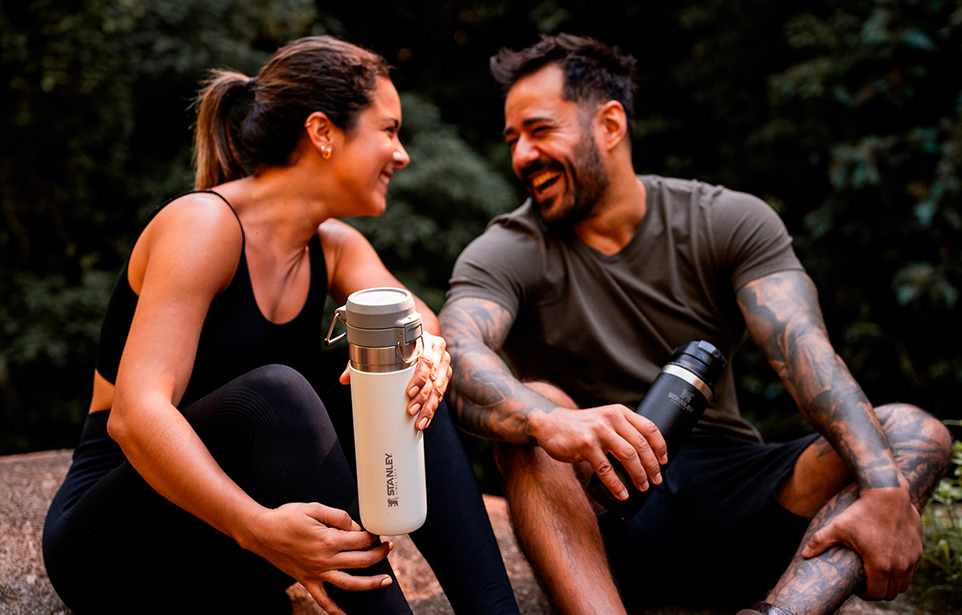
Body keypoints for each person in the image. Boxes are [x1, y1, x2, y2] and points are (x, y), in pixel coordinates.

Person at [439, 33, 953, 615]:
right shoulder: (508, 248)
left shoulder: (727, 219)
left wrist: (885, 490)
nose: (522, 156)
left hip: (738, 497)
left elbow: (805, 350)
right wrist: (551, 420)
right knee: (531, 415)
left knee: (914, 432)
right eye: (513, 140)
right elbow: (457, 351)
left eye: (539, 130)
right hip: (608, 514)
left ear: (610, 124)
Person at [42, 36, 519, 615]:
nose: (402, 154)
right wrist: (255, 527)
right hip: (119, 547)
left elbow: (411, 314)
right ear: (322, 132)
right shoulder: (203, 226)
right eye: (389, 130)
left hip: (240, 546)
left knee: (404, 371)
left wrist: (428, 351)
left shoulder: (333, 247)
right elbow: (136, 417)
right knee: (277, 392)